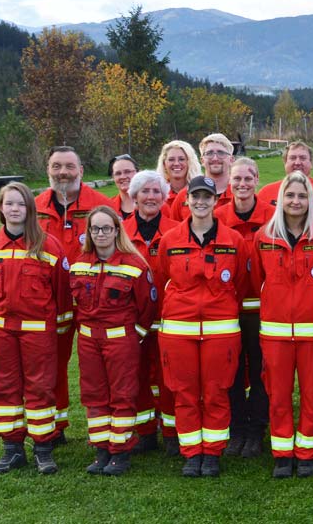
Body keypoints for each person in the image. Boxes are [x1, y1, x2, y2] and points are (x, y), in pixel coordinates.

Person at [153, 175, 253, 478]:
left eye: (206, 197)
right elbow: (161, 279)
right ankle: (191, 452)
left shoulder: (233, 241)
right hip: (178, 331)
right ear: (186, 200)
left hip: (220, 331)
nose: (200, 202)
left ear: (215, 201)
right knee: (184, 393)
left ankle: (212, 453)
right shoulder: (170, 240)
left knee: (216, 392)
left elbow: (242, 283)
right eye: (195, 196)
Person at [0, 182, 70, 474]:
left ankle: (43, 448)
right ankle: (12, 449)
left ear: (30, 210)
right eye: (9, 204)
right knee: (5, 387)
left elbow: (62, 294)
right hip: (2, 331)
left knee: (40, 388)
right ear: (1, 209)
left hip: (38, 332)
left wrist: (56, 332)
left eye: (21, 204)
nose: (15, 209)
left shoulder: (49, 247)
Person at [248, 172, 313, 478]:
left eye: (302, 196)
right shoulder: (263, 237)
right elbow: (258, 282)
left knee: (312, 393)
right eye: (291, 195)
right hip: (275, 333)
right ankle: (283, 453)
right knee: (279, 394)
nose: (296, 201)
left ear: (311, 200)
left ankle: (307, 453)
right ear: (281, 198)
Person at [69, 205, 157, 476]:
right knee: (94, 395)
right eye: (95, 229)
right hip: (88, 341)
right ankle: (101, 449)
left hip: (121, 340)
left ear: (117, 231)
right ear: (89, 232)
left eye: (107, 228)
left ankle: (120, 452)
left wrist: (135, 336)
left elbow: (149, 306)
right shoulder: (79, 264)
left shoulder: (135, 264)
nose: (101, 234)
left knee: (122, 395)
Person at [35, 146, 110, 440]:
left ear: (80, 169)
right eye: (56, 166)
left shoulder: (100, 205)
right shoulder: (36, 207)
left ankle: (111, 427)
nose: (62, 172)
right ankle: (55, 424)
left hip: (95, 299)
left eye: (68, 166)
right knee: (51, 363)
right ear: (48, 170)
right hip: (49, 299)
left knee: (102, 363)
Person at [213, 157, 274, 459]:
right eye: (236, 179)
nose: (242, 184)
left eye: (248, 178)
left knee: (263, 372)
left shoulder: (272, 216)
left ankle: (256, 429)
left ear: (257, 179)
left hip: (264, 312)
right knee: (232, 371)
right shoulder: (218, 217)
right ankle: (236, 426)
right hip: (227, 311)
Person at [121, 170, 178, 454]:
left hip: (169, 316)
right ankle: (144, 432)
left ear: (165, 197)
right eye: (145, 191)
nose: (151, 197)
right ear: (134, 196)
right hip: (134, 317)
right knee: (139, 374)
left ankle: (171, 432)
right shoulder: (121, 232)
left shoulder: (177, 230)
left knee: (170, 377)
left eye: (157, 192)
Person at [258, 141, 313, 205]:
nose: (297, 163)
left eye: (303, 158)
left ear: (311, 163)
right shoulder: (266, 193)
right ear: (285, 162)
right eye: (292, 158)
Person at [157, 140, 201, 206]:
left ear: (189, 162)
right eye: (171, 159)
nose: (176, 163)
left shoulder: (200, 189)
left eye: (181, 159)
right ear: (164, 164)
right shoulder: (157, 193)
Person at [108, 154, 140, 219]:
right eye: (118, 173)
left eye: (127, 172)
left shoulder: (152, 203)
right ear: (113, 177)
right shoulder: (108, 207)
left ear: (138, 173)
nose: (123, 177)